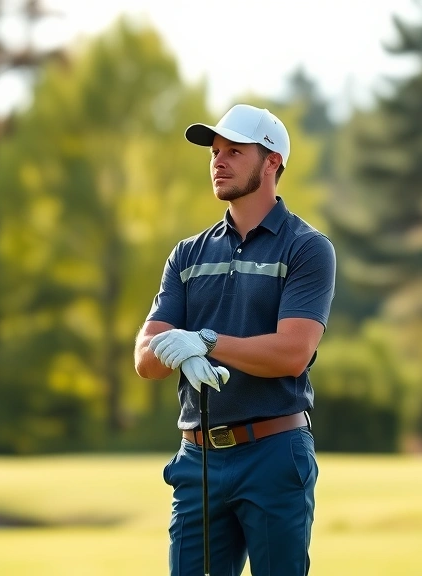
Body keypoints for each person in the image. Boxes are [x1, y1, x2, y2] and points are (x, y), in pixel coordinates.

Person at [133, 103, 337, 576]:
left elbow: (293, 352)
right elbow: (146, 358)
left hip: (273, 454)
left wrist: (202, 340)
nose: (218, 161)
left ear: (272, 163)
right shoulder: (187, 254)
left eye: (234, 152)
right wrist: (178, 353)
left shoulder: (306, 248)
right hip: (197, 460)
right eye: (215, 152)